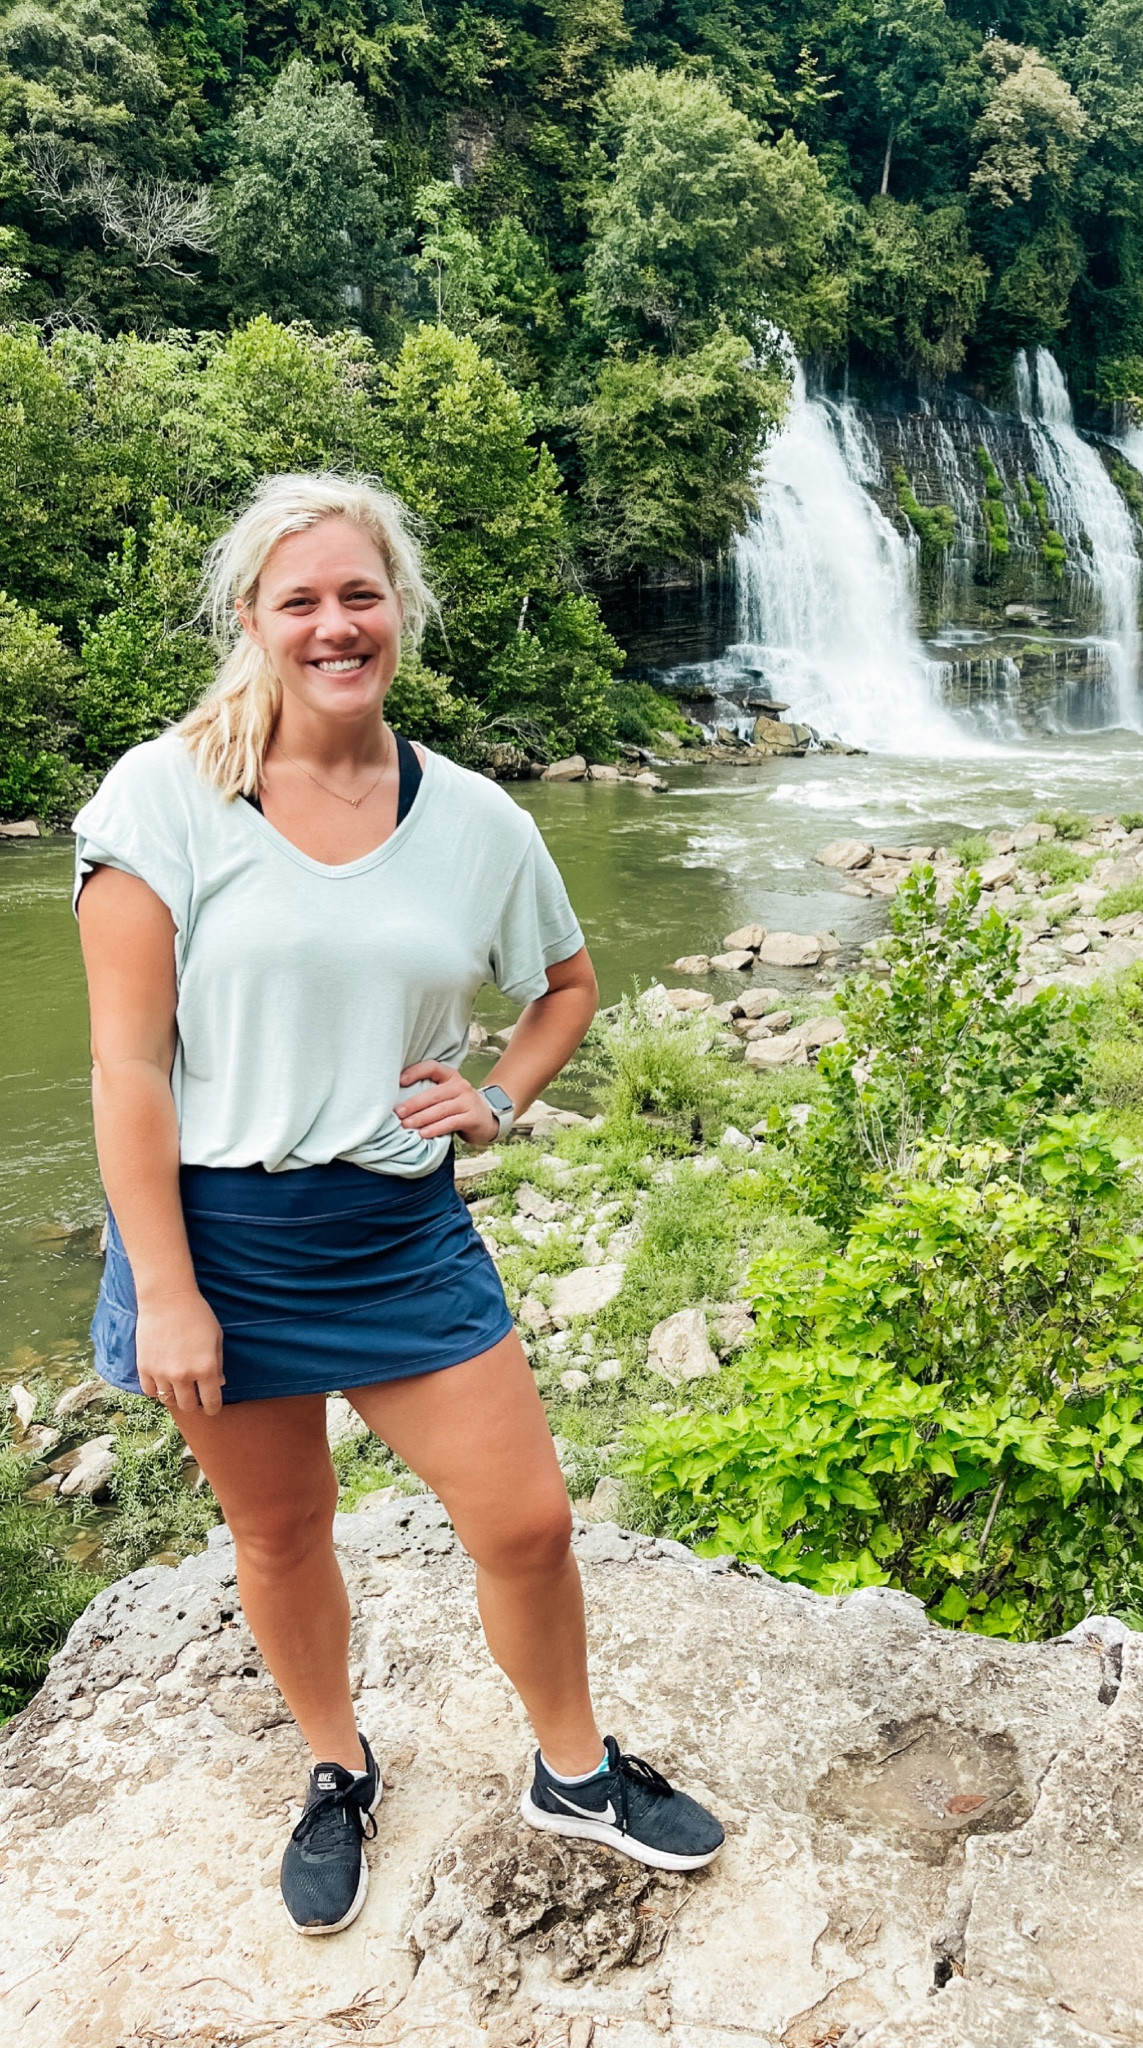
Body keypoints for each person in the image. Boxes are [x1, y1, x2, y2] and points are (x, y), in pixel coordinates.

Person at [73, 472, 724, 1938]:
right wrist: (166, 1288)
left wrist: (498, 1097)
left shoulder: (478, 818)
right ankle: (335, 1767)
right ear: (252, 620)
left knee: (528, 1521)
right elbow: (124, 1069)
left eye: (358, 595)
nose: (333, 624)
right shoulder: (164, 795)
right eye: (299, 600)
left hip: (396, 1225)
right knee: (284, 1529)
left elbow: (565, 985)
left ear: (400, 613)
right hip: (219, 1237)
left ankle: (573, 1767)